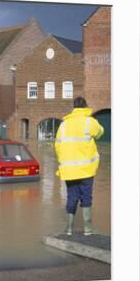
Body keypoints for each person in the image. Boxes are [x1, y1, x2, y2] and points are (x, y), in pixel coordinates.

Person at [54, 97, 104, 236]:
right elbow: (100, 133)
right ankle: (88, 229)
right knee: (86, 197)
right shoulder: (90, 122)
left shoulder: (63, 125)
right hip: (86, 170)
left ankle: (69, 229)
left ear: (73, 107)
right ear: (85, 106)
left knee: (71, 197)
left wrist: (62, 161)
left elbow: (57, 146)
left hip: (69, 170)